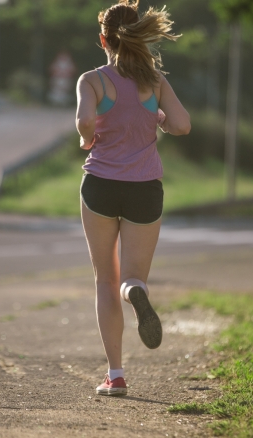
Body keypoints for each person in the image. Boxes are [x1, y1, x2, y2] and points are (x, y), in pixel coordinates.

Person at [75, 0, 190, 397]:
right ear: (139, 35)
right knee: (130, 278)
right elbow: (182, 124)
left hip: (101, 187)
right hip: (145, 190)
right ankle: (136, 293)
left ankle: (116, 375)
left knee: (104, 279)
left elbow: (85, 121)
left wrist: (87, 139)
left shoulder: (92, 80)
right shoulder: (155, 81)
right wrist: (155, 116)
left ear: (103, 39)